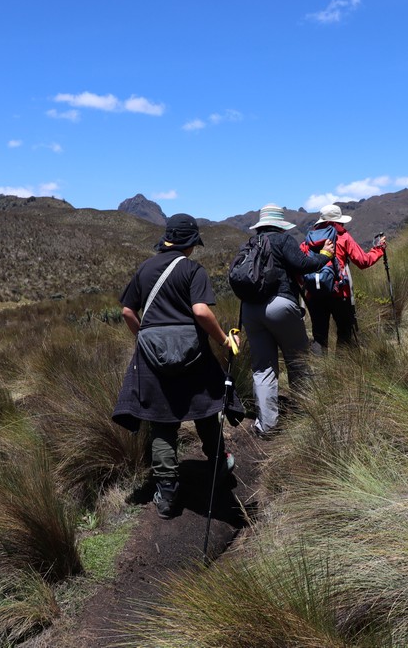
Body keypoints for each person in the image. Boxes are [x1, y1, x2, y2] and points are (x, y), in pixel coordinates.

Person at [112, 213, 243, 519]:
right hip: (194, 353)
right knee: (206, 409)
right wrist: (225, 339)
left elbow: (127, 311)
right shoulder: (192, 270)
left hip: (151, 355)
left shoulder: (145, 268)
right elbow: (200, 311)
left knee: (162, 421)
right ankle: (218, 465)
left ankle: (167, 495)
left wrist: (144, 337)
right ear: (191, 243)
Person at [242, 203, 334, 439]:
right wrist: (325, 255)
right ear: (280, 224)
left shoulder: (250, 244)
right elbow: (303, 265)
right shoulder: (283, 240)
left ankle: (267, 426)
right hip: (281, 305)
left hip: (250, 311)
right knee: (298, 361)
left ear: (261, 225)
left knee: (263, 368)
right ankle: (307, 414)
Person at [302, 204, 386, 352]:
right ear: (337, 222)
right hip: (339, 293)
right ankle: (341, 370)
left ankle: (321, 371)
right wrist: (378, 249)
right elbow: (363, 261)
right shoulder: (342, 237)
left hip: (314, 295)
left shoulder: (308, 240)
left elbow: (300, 267)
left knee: (319, 336)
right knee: (345, 332)